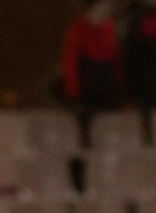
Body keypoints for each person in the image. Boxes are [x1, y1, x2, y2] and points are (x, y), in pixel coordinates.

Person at [62, 0, 126, 146]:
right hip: (88, 92)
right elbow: (71, 65)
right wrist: (75, 94)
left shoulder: (109, 28)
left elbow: (117, 61)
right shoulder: (79, 30)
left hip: (108, 90)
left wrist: (120, 89)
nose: (107, 10)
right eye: (104, 6)